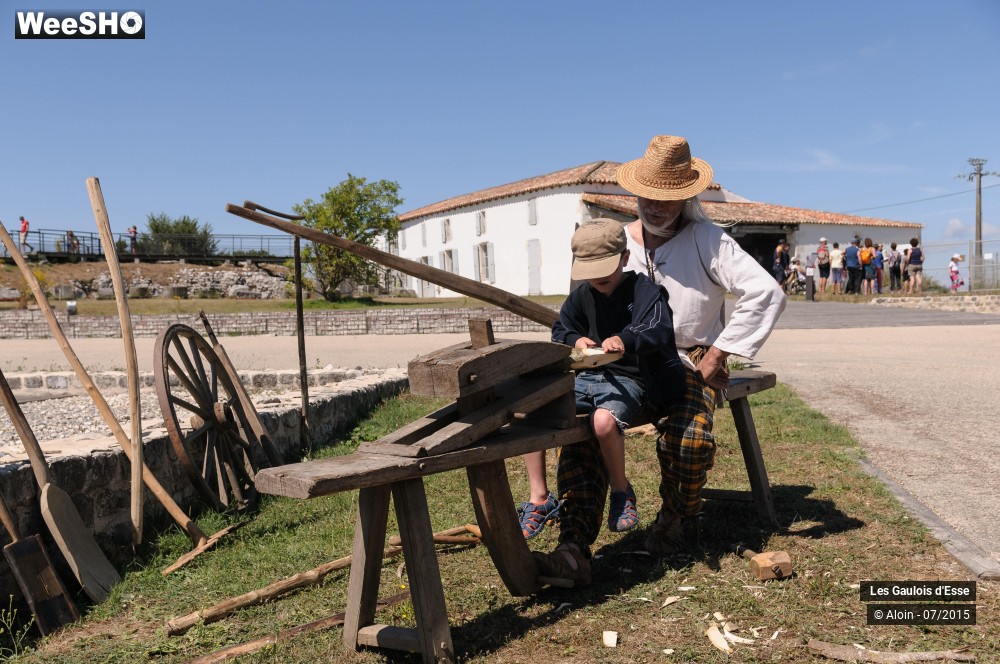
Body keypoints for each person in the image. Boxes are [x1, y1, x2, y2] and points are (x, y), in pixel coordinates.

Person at [533, 135, 785, 584]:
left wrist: (719, 352)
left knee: (690, 440)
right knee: (580, 435)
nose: (657, 206)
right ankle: (572, 549)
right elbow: (581, 305)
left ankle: (674, 520)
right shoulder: (613, 242)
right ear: (636, 193)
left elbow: (766, 291)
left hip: (682, 365)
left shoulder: (708, 240)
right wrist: (582, 343)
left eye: (668, 199)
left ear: (686, 196)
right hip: (615, 368)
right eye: (649, 196)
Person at [519, 219, 684, 539]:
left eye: (604, 269)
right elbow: (561, 328)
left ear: (624, 257)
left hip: (631, 379)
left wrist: (626, 339)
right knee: (534, 412)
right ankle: (539, 497)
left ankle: (622, 490)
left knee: (602, 423)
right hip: (586, 376)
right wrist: (574, 339)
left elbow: (657, 327)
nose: (597, 278)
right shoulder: (582, 295)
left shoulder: (644, 290)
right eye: (590, 271)